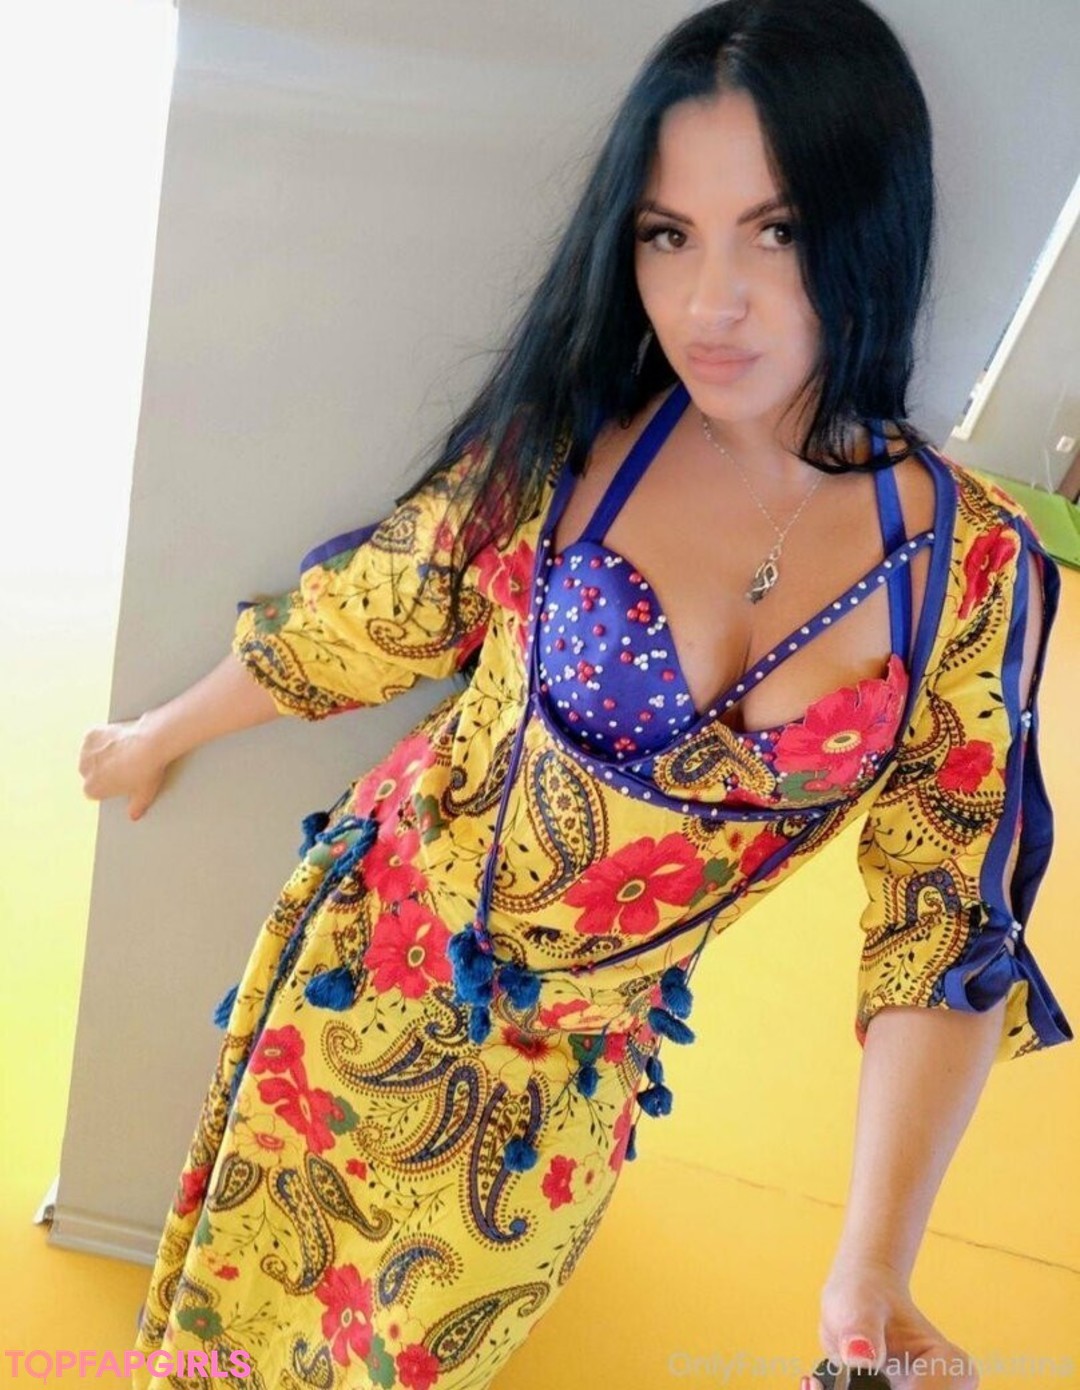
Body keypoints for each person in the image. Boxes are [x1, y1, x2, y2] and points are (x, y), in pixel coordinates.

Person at [79, 2, 1072, 1388]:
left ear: (872, 224)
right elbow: (383, 611)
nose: (709, 303)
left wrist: (873, 1264)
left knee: (412, 1360)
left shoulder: (972, 576)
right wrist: (157, 736)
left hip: (558, 1103)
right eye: (669, 233)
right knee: (233, 1334)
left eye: (775, 231)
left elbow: (943, 920)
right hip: (362, 970)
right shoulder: (581, 439)